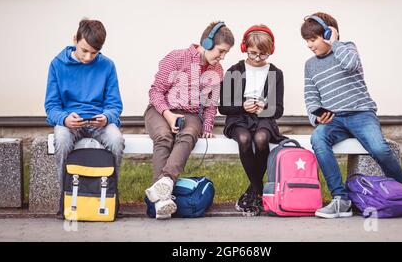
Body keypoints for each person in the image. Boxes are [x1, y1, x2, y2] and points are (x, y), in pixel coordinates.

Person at [301, 12, 402, 218]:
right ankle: (340, 199)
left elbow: (350, 64)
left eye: (313, 39)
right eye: (307, 40)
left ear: (328, 34)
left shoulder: (347, 48)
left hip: (361, 113)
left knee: (379, 148)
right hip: (335, 119)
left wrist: (334, 42)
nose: (309, 44)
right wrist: (315, 117)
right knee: (318, 138)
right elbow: (311, 97)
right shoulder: (310, 65)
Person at [144, 21, 234, 219]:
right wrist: (168, 115)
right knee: (163, 137)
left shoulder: (217, 70)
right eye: (220, 51)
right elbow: (156, 91)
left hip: (190, 114)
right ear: (207, 43)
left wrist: (208, 125)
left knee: (189, 133)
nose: (222, 57)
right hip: (160, 110)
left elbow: (210, 104)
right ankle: (161, 201)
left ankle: (165, 183)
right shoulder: (177, 57)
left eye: (226, 53)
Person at [45, 19, 124, 193]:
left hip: (99, 122)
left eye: (94, 53)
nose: (88, 57)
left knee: (116, 140)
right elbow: (51, 106)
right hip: (70, 121)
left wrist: (107, 117)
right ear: (75, 40)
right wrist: (64, 119)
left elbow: (115, 104)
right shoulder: (57, 65)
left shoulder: (107, 66)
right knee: (63, 140)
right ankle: (64, 197)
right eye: (84, 50)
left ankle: (110, 195)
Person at [219, 25, 286, 216]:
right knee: (244, 139)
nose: (257, 58)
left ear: (270, 52)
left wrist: (265, 108)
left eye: (263, 55)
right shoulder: (234, 70)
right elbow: (223, 107)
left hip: (263, 118)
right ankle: (258, 190)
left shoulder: (275, 73)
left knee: (261, 139)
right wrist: (242, 106)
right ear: (244, 48)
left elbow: (278, 110)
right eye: (253, 53)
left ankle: (252, 192)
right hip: (238, 118)